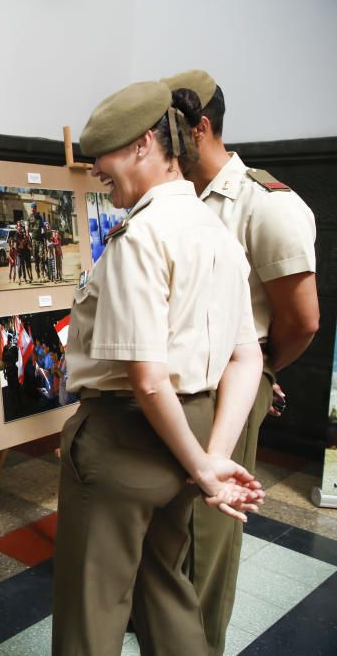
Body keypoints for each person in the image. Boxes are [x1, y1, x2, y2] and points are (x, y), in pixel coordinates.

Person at [52, 80, 266, 655]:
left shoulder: (139, 237)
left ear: (146, 143)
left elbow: (146, 379)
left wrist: (204, 466)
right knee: (164, 587)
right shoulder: (218, 233)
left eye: (106, 156)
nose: (97, 169)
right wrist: (210, 458)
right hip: (192, 429)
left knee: (90, 610)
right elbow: (247, 356)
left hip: (128, 436)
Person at [162, 69, 320, 656]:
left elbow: (301, 320)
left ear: (201, 127)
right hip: (172, 384)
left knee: (210, 533)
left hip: (231, 382)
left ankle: (200, 643)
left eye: (169, 129)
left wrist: (264, 374)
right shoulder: (175, 199)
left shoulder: (266, 206)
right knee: (170, 522)